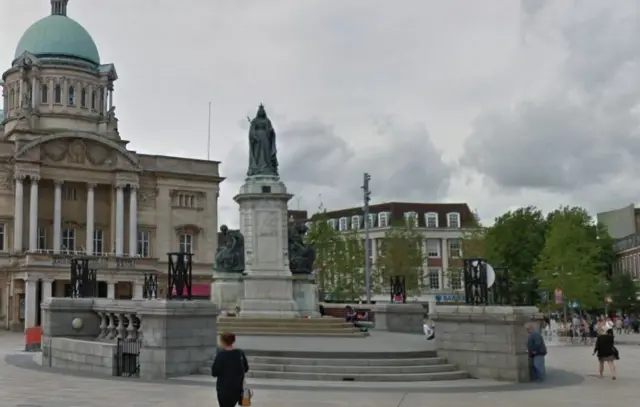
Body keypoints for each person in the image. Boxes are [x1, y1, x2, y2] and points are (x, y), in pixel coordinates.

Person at [211, 332, 249, 407]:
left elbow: (214, 372)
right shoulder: (240, 353)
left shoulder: (221, 355)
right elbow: (246, 368)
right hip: (237, 388)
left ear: (223, 342)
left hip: (223, 389)